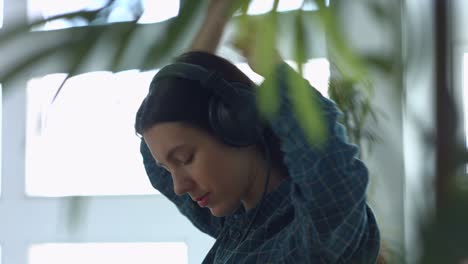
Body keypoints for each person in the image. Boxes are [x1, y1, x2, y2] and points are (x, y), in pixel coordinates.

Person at [135, 1, 382, 263]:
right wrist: (216, 17)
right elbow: (160, 142)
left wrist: (276, 74)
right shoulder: (237, 225)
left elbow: (328, 169)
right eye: (168, 168)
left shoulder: (313, 235)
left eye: (185, 159)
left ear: (235, 123)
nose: (179, 185)